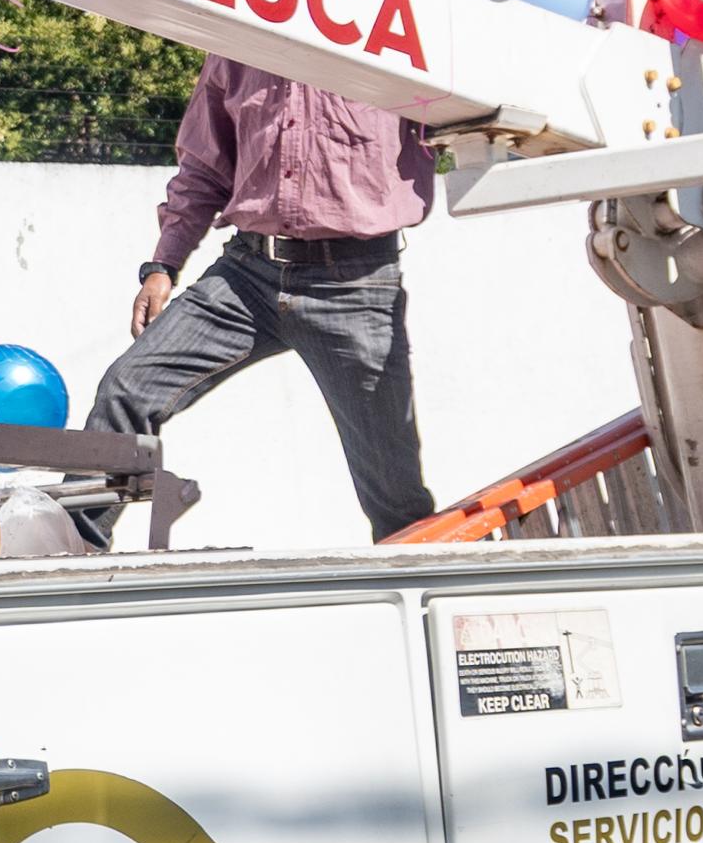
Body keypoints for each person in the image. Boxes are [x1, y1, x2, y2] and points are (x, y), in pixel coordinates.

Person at [70, 60, 437, 548]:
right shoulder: (238, 46)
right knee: (127, 387)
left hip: (354, 282)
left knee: (391, 481)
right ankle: (72, 549)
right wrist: (163, 265)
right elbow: (204, 167)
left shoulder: (389, 43)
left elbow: (469, 114)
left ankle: (419, 580)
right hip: (248, 275)